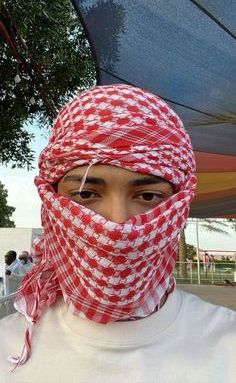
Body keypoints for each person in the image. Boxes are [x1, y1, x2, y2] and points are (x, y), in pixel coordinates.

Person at [0, 84, 235, 383]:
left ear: (180, 207)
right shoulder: (8, 347)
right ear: (50, 201)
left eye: (147, 196)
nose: (117, 225)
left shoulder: (228, 346)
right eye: (86, 193)